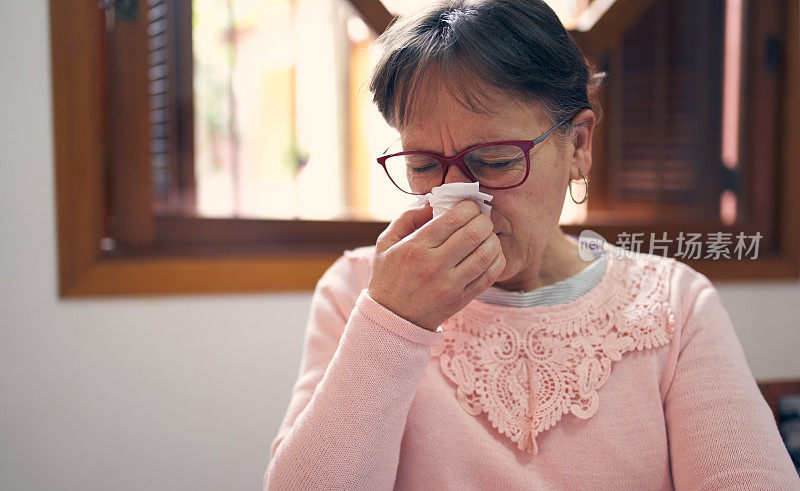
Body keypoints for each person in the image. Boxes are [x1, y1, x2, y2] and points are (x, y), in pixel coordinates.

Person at [264, 1, 800, 489]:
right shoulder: (360, 291)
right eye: (423, 165)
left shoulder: (674, 306)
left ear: (578, 146)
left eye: (496, 161)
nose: (460, 197)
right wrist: (393, 322)